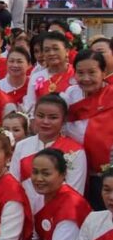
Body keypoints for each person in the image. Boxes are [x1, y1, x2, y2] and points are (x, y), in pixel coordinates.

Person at [10, 94, 86, 213]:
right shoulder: (22, 146)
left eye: (53, 117)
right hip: (23, 215)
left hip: (58, 216)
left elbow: (74, 193)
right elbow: (13, 185)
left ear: (64, 119)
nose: (45, 121)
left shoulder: (75, 151)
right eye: (40, 116)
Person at [64, 50, 113, 209]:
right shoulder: (70, 95)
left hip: (104, 175)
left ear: (104, 72)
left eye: (92, 72)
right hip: (75, 171)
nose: (86, 78)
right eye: (80, 73)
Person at [24, 31, 75, 114]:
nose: (51, 53)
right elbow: (30, 108)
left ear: (67, 51)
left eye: (55, 49)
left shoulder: (76, 74)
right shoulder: (36, 77)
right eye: (47, 50)